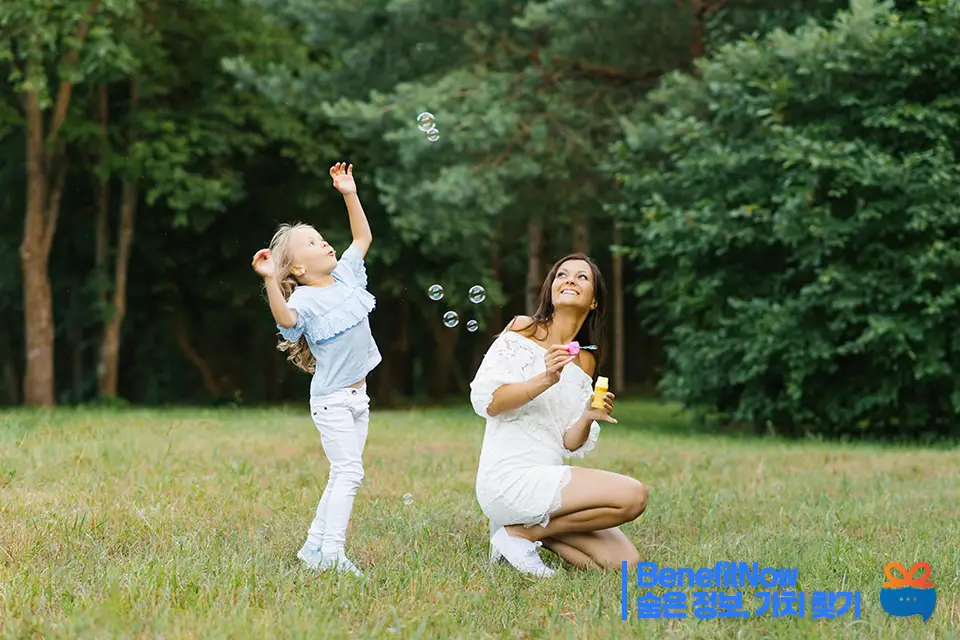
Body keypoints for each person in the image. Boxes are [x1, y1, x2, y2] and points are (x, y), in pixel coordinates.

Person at [470, 252, 648, 578]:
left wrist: (588, 416)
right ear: (551, 289)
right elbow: (490, 402)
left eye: (582, 277)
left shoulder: (586, 363)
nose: (569, 280)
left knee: (626, 564)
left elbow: (569, 442)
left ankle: (518, 532)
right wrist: (545, 379)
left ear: (594, 301)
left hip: (547, 480)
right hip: (509, 477)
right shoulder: (523, 329)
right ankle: (521, 533)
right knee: (634, 495)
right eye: (562, 274)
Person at [251, 162, 379, 577]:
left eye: (323, 239)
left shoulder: (346, 276)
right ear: (299, 269)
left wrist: (349, 193)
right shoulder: (304, 301)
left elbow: (362, 236)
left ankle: (312, 549)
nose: (326, 244)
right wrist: (271, 279)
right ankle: (333, 555)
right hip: (333, 400)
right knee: (349, 473)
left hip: (359, 396)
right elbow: (286, 320)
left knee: (342, 474)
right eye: (314, 243)